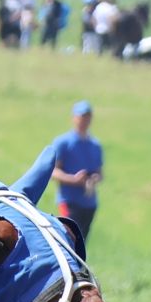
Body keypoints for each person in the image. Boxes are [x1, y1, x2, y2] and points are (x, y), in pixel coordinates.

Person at [48, 100, 102, 242]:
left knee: (81, 244)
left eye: (87, 117)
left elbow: (99, 172)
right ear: (74, 118)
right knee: (67, 240)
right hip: (69, 201)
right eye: (81, 116)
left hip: (89, 203)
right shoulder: (63, 143)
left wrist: (94, 178)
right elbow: (54, 172)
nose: (84, 120)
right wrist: (73, 179)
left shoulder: (95, 145)